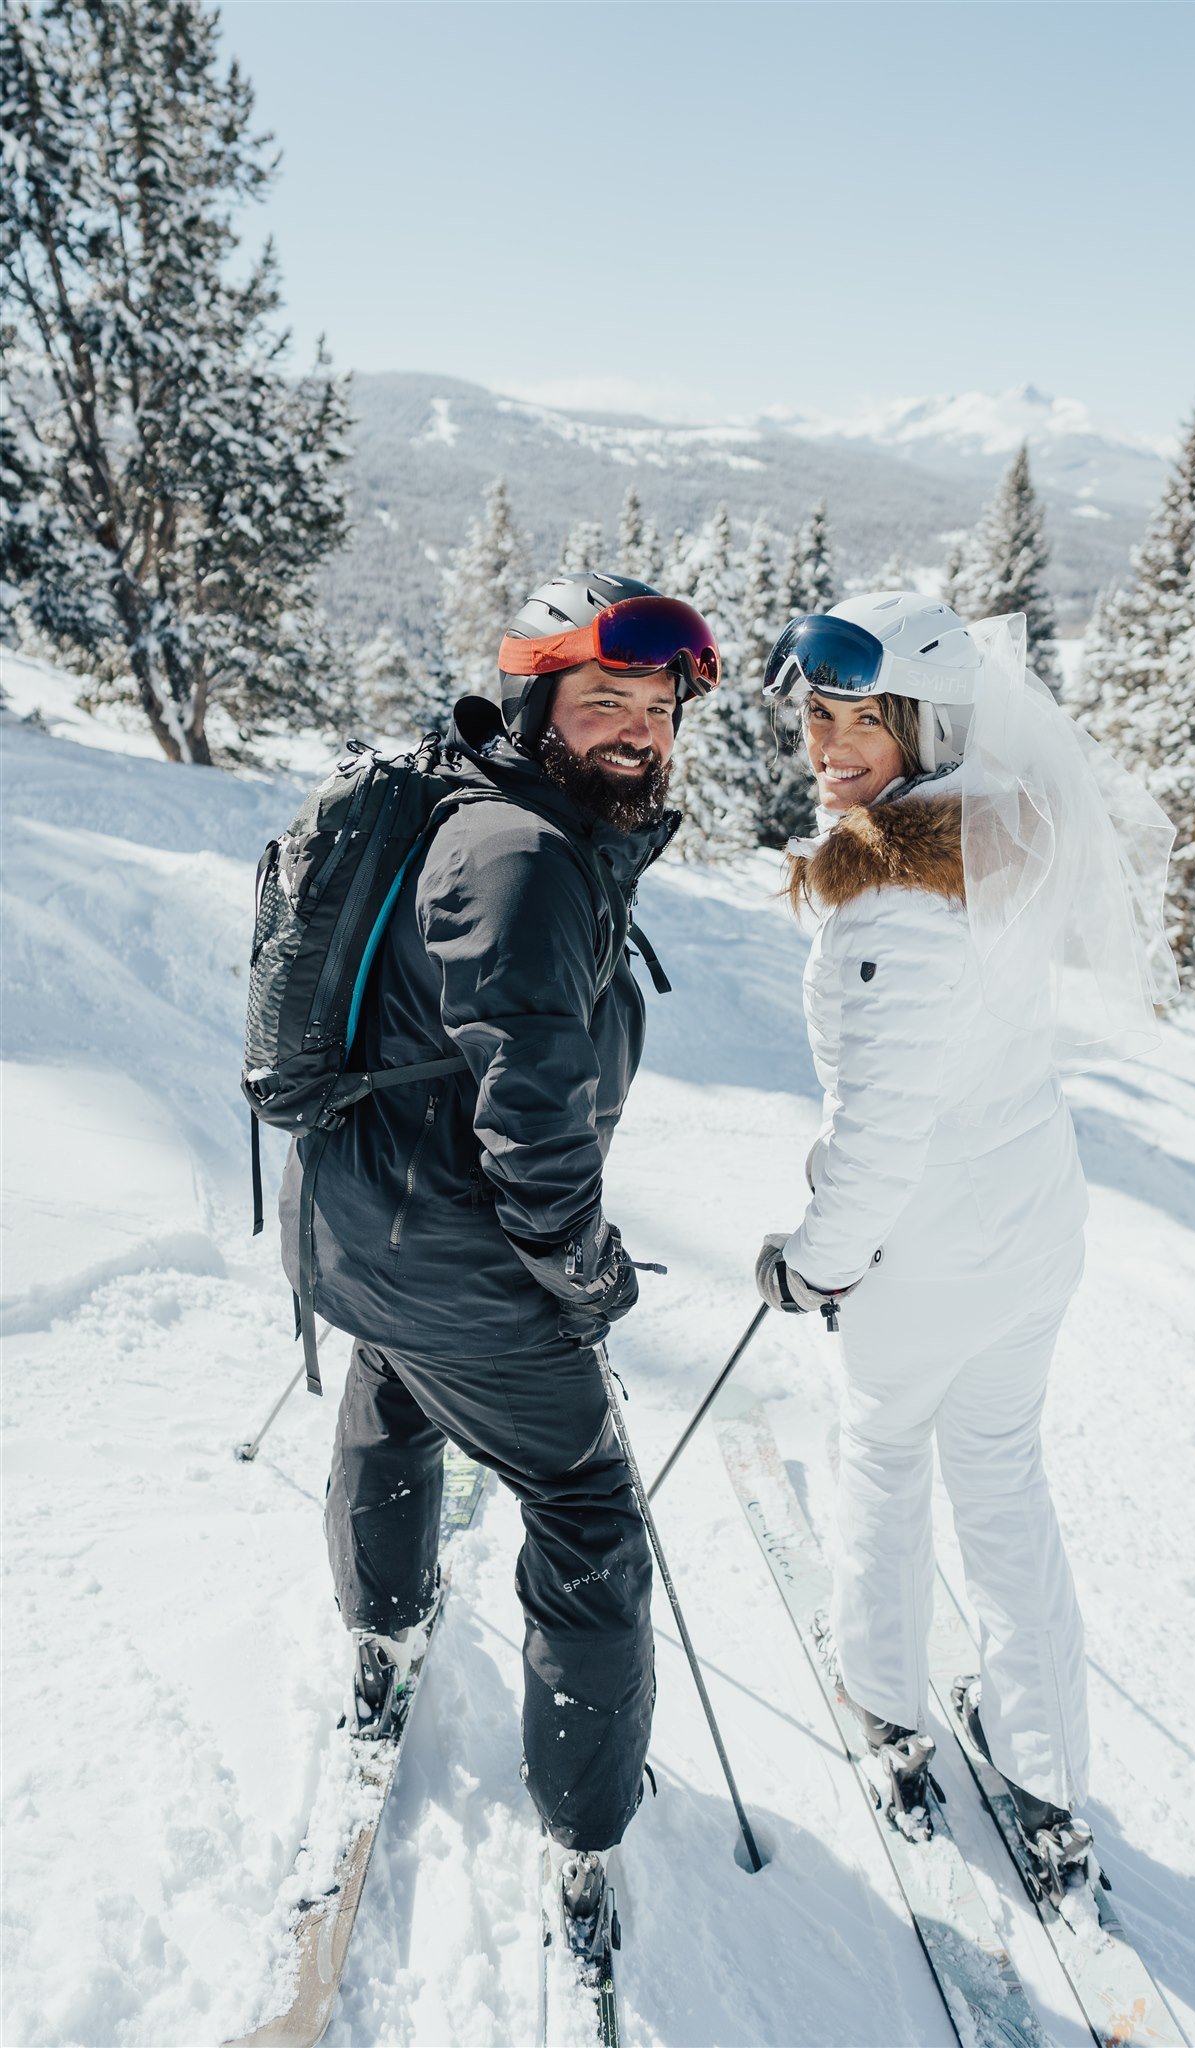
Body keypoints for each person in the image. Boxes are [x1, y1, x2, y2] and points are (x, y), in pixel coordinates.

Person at [278, 570, 719, 1972]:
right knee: (585, 1507)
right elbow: (533, 1120)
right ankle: (584, 1828)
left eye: (656, 708)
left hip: (362, 1230)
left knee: (396, 1393)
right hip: (458, 1255)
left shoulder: (470, 813)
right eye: (604, 701)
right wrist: (578, 1272)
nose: (638, 731)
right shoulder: (521, 857)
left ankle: (380, 1634)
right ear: (533, 706)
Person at [753, 593, 1175, 1893]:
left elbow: (881, 1129)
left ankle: (885, 1704)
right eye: (815, 715)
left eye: (857, 721)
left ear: (924, 725)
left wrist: (815, 1258)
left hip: (922, 1260)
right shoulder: (1004, 831)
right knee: (1002, 1481)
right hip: (1031, 1229)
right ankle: (1045, 1774)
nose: (825, 743)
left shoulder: (889, 900)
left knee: (883, 1458)